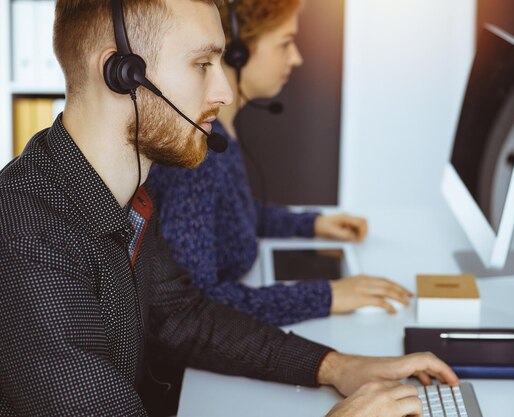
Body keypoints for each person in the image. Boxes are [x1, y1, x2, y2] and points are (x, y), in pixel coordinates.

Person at [0, 0, 459, 415]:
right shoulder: (27, 242)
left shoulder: (128, 198)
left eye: (221, 62)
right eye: (202, 64)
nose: (223, 91)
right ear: (121, 73)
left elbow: (184, 317)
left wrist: (334, 366)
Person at [146, 0, 413, 327]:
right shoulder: (198, 154)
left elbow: (232, 217)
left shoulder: (218, 133)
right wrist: (325, 296)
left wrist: (311, 224)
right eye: (285, 43)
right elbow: (196, 307)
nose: (296, 57)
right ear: (237, 52)